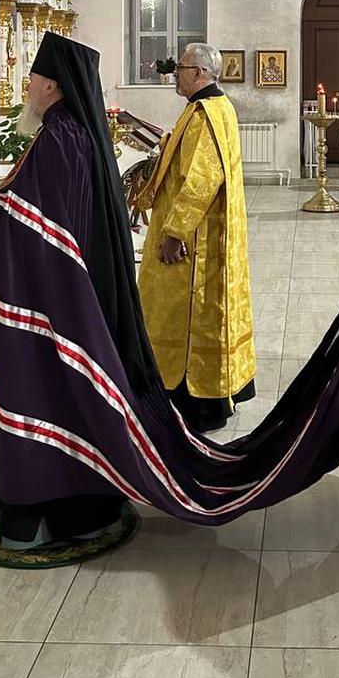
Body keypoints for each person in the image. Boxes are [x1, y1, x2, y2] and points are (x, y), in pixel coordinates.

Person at [0, 31, 158, 549]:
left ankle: (52, 514)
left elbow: (28, 225)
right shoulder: (73, 132)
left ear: (51, 86)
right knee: (71, 397)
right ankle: (86, 510)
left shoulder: (60, 138)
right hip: (71, 291)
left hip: (58, 301)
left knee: (52, 393)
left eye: (32, 79)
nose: (25, 87)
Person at [136, 42, 255, 432]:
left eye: (183, 68)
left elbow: (201, 181)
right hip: (205, 232)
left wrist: (175, 232)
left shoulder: (205, 113)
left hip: (195, 242)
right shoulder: (210, 108)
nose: (177, 74)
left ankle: (194, 404)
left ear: (201, 73)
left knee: (184, 316)